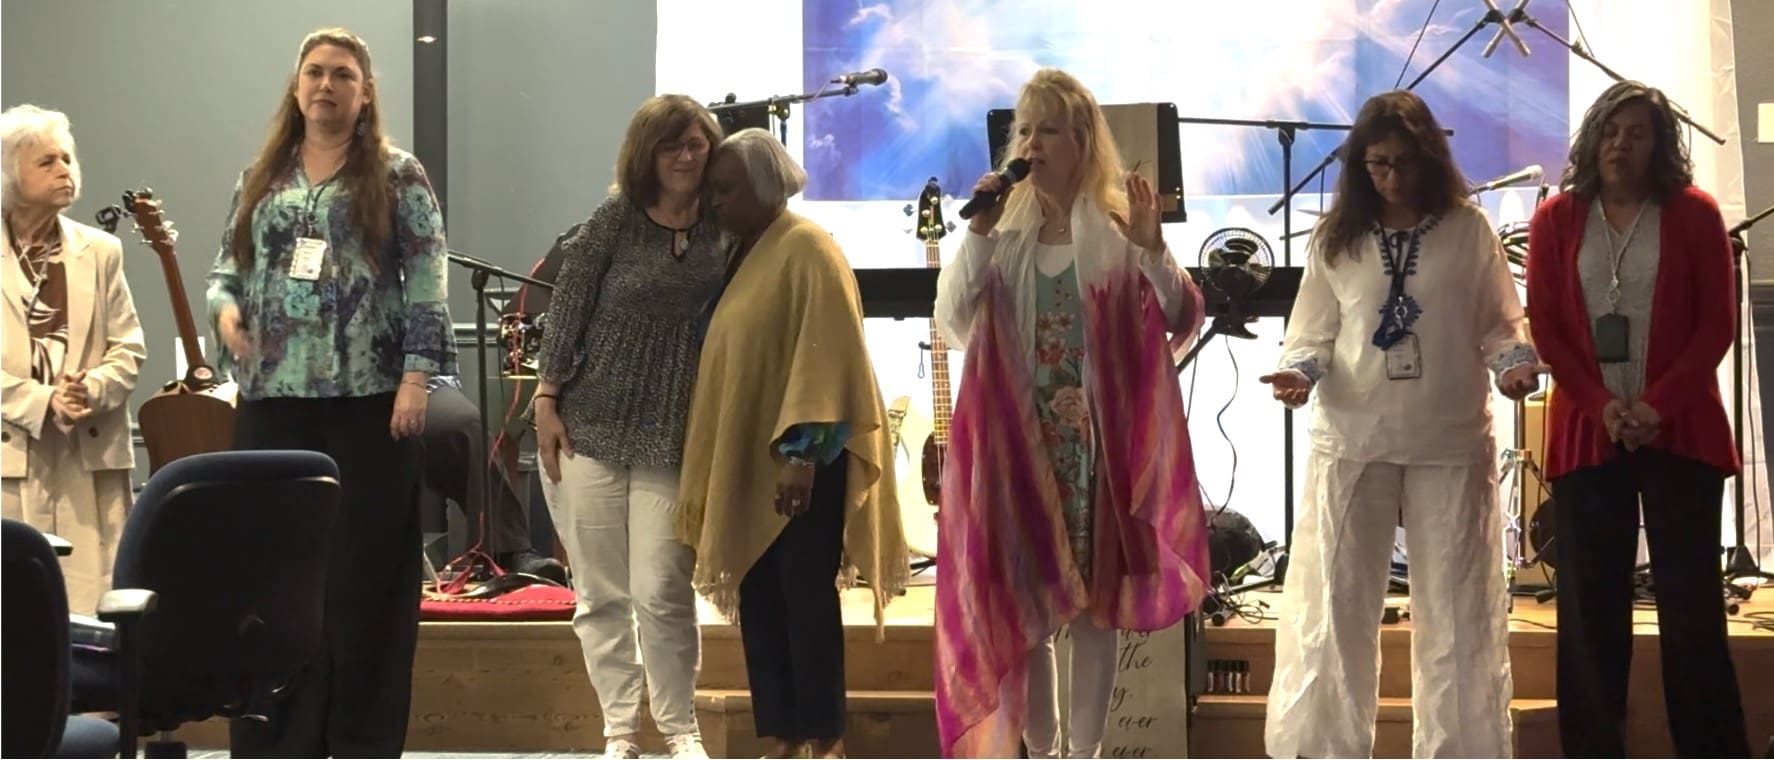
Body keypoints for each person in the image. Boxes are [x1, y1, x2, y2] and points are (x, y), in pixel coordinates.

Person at [931, 68, 1211, 759]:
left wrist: (1153, 251)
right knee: (1022, 610)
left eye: (1047, 128)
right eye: (1024, 129)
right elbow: (953, 321)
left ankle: (1082, 754)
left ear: (1082, 140)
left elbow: (1180, 314)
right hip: (1014, 447)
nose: (1032, 142)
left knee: (1093, 611)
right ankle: (1040, 748)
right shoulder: (1003, 234)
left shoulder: (1116, 228)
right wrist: (978, 235)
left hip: (1095, 448)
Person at [1258, 90, 1536, 759]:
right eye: (1377, 164)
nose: (1391, 178)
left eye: (1404, 164)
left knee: (1455, 614)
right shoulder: (1338, 237)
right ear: (1359, 165)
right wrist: (1298, 374)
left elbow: (1502, 325)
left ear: (1429, 161)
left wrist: (1513, 368)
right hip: (1354, 438)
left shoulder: (1469, 230)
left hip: (1448, 439)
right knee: (1336, 610)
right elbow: (1312, 334)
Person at [206, 28, 454, 756]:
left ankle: (359, 738)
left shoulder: (398, 174)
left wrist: (416, 378)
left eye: (342, 74)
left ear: (365, 90)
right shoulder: (263, 175)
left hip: (367, 405)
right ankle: (274, 737)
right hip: (271, 402)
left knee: (360, 581)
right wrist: (225, 309)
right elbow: (226, 267)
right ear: (296, 86)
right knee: (271, 577)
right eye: (313, 72)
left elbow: (428, 280)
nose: (325, 85)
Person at [1525, 80, 1750, 758]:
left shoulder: (1694, 213)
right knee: (1591, 617)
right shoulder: (1557, 218)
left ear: (1660, 146)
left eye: (1638, 133)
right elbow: (1548, 326)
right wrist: (1604, 406)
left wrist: (1656, 406)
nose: (1622, 144)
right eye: (1612, 131)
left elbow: (1716, 324)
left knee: (1691, 613)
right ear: (1593, 137)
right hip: (1588, 432)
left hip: (1680, 429)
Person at [678, 128, 907, 760]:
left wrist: (803, 455)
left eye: (725, 189)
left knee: (804, 599)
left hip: (803, 464)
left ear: (764, 186)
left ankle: (825, 736)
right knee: (761, 601)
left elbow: (829, 360)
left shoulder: (807, 247)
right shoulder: (745, 252)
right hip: (753, 464)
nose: (715, 202)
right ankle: (784, 734)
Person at [529, 94, 727, 760]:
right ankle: (620, 729)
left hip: (674, 430)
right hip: (591, 425)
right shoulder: (615, 218)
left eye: (697, 142)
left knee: (663, 588)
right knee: (601, 593)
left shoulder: (725, 226)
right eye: (672, 144)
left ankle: (679, 728)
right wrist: (547, 398)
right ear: (648, 152)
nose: (685, 155)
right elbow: (567, 308)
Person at [1, 104, 146, 614]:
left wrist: (91, 390)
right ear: (8, 174)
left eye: (68, 158)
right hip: (14, 458)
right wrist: (42, 401)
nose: (66, 169)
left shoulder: (101, 251)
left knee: (92, 610)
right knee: (19, 616)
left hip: (91, 455)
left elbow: (129, 348)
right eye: (47, 162)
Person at [419, 374, 566, 585]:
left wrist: (413, 383)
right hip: (356, 393)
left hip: (417, 383)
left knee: (465, 426)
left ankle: (507, 550)